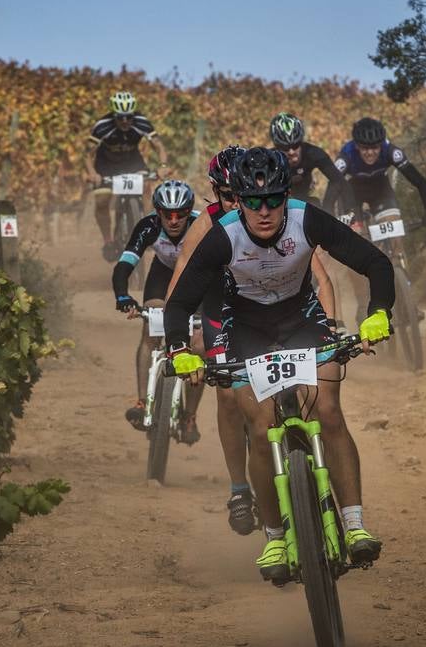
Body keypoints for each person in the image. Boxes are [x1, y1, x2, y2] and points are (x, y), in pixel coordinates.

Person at [164, 148, 393, 582]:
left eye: (274, 199)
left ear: (287, 195)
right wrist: (180, 349)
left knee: (327, 411)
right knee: (261, 423)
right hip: (246, 329)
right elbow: (179, 305)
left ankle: (355, 523)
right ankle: (273, 536)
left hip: (302, 321)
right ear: (239, 200)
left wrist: (379, 312)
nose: (264, 211)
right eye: (252, 201)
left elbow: (375, 263)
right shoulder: (223, 235)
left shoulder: (307, 219)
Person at [167, 146, 343, 536]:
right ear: (217, 195)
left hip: (278, 310)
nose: (238, 204)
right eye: (228, 196)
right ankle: (239, 489)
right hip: (221, 310)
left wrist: (330, 324)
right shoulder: (209, 223)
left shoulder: (277, 219)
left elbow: (318, 274)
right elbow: (181, 275)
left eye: (241, 195)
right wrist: (178, 334)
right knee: (229, 396)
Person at [112, 180, 203, 440]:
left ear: (189, 212)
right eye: (167, 215)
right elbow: (124, 265)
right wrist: (123, 296)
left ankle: (189, 417)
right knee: (150, 326)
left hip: (197, 279)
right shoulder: (148, 226)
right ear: (157, 212)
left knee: (200, 346)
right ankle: (142, 402)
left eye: (180, 215)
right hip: (162, 276)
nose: (174, 221)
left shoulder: (202, 226)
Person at [85, 91, 168, 260]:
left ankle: (148, 229)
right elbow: (87, 155)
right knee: (101, 201)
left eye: (128, 117)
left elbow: (159, 147)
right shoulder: (102, 126)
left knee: (146, 187)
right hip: (105, 165)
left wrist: (163, 166)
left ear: (133, 114)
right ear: (113, 115)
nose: (125, 121)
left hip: (132, 163)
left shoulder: (141, 122)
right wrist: (92, 173)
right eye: (120, 117)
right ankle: (108, 241)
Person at [332, 117, 426, 224]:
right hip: (351, 193)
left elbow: (418, 181)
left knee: (394, 229)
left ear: (381, 145)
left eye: (375, 147)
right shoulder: (346, 156)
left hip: (380, 189)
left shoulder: (390, 152)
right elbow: (332, 191)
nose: (370, 153)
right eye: (365, 148)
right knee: (354, 233)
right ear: (357, 146)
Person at [269, 112, 346, 208]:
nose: (291, 152)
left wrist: (328, 210)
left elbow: (338, 180)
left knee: (315, 204)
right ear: (276, 147)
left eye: (295, 145)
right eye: (285, 147)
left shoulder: (312, 153)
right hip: (277, 204)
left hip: (303, 199)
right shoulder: (268, 160)